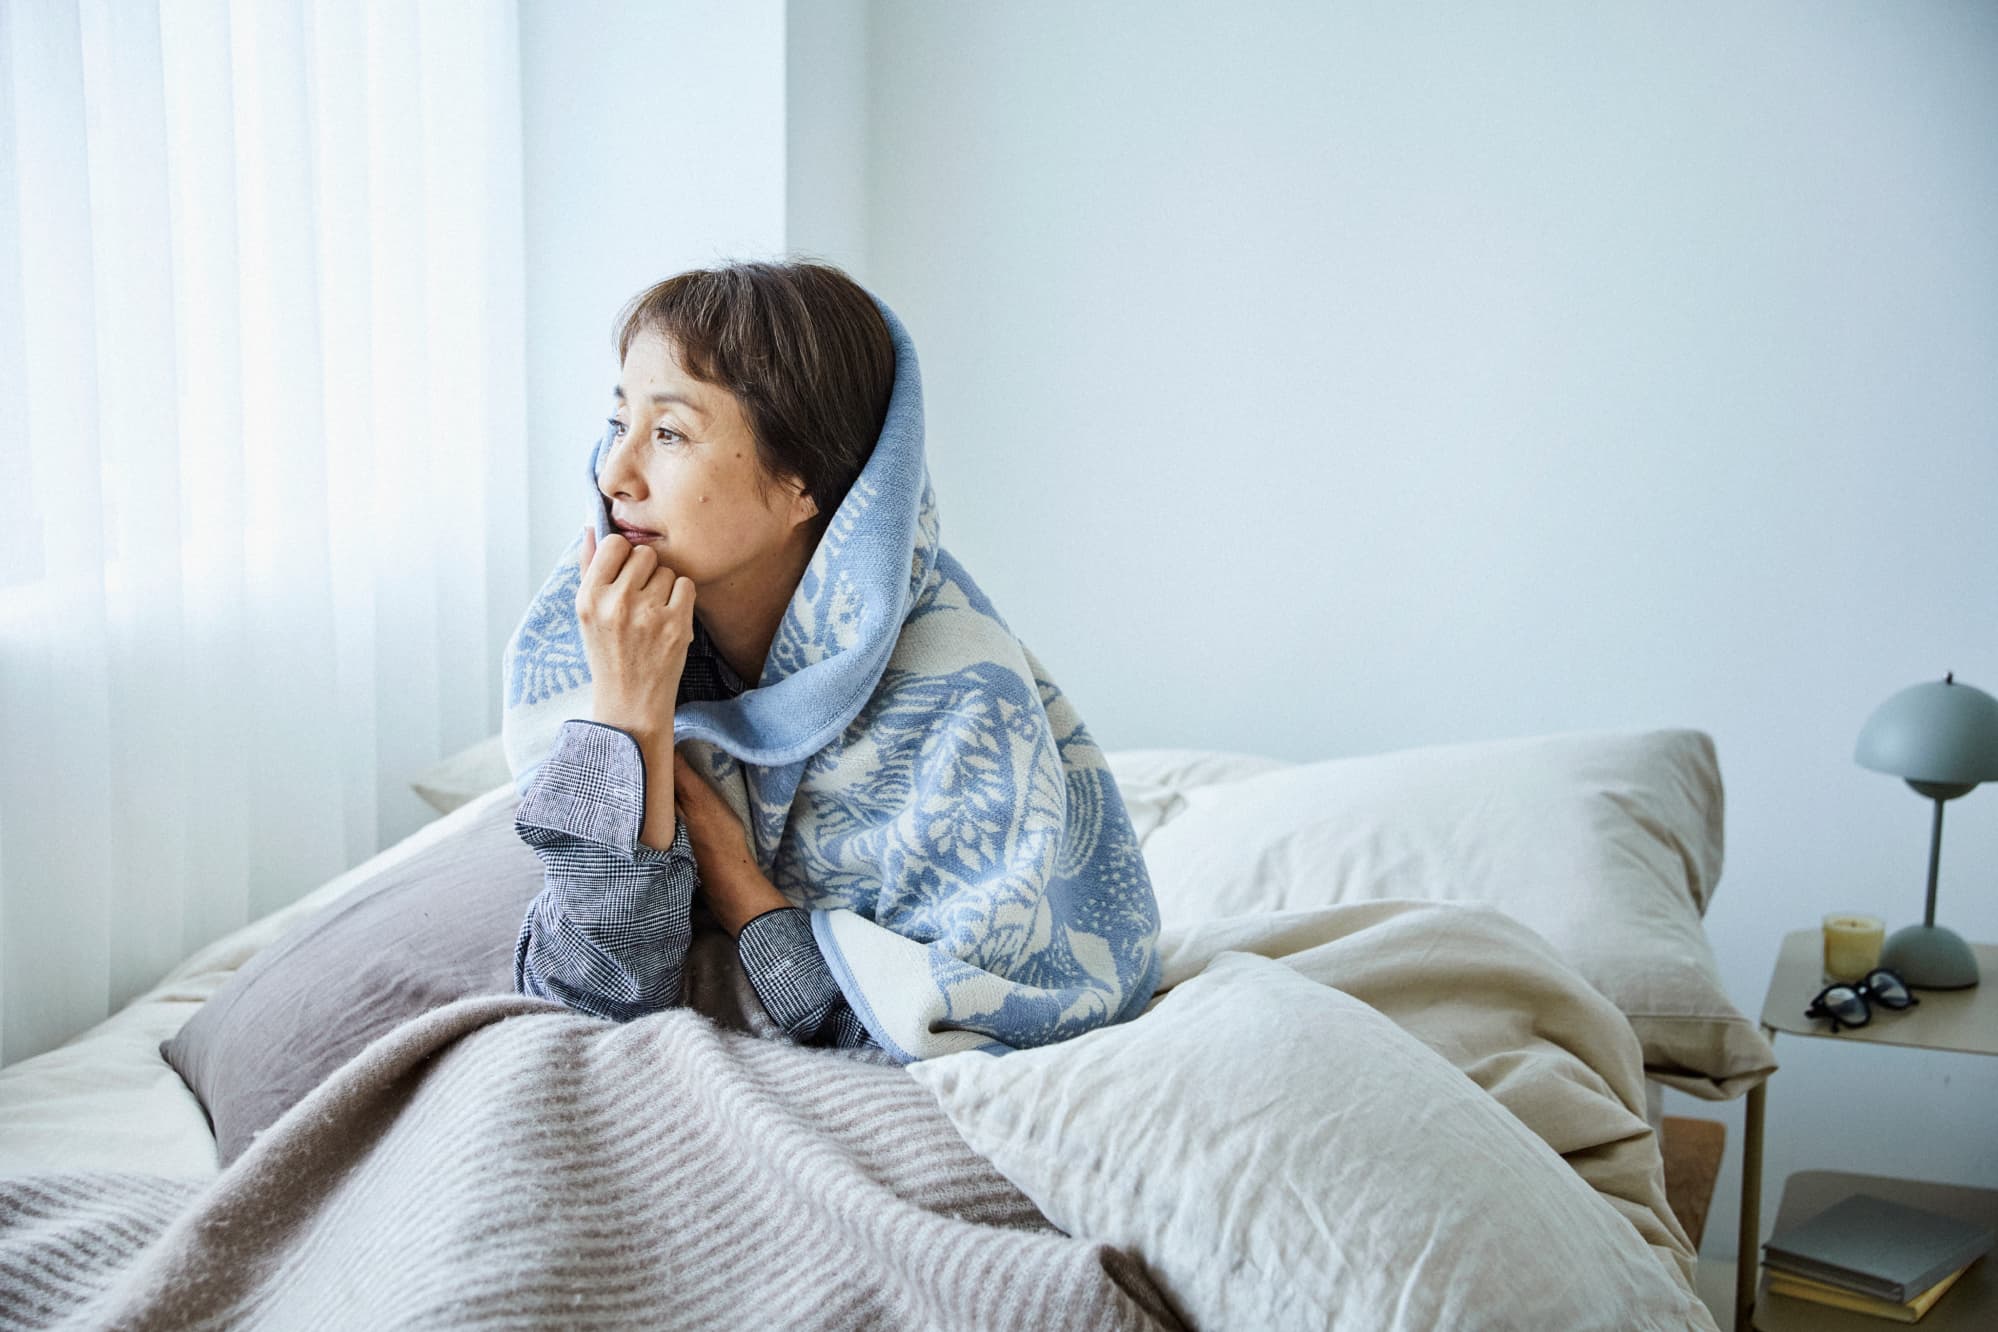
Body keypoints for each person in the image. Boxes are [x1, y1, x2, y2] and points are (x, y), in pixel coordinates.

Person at [501, 258, 1161, 1062]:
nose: (614, 475)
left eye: (669, 433)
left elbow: (959, 1039)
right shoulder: (610, 629)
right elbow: (585, 1004)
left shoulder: (959, 699)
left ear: (801, 482)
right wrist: (628, 712)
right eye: (620, 422)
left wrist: (739, 884)